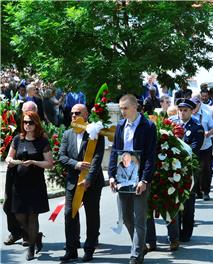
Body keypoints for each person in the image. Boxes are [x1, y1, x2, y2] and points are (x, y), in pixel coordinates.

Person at [108, 95, 157, 264]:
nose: (122, 112)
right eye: (121, 108)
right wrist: (112, 175)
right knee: (127, 218)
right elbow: (115, 151)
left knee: (139, 218)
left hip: (140, 177)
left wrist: (145, 180)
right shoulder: (121, 125)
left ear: (135, 107)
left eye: (125, 108)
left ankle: (136, 255)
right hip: (122, 176)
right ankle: (140, 245)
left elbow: (151, 155)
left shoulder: (148, 125)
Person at [59, 104, 105, 262]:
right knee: (69, 214)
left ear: (86, 115)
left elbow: (97, 158)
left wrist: (89, 178)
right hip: (73, 182)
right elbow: (62, 156)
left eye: (77, 113)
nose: (73, 115)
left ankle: (89, 249)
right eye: (71, 113)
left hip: (91, 182)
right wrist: (76, 164)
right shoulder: (67, 134)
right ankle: (71, 249)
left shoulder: (95, 133)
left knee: (91, 216)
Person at [5, 111, 53, 261]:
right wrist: (10, 161)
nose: (27, 125)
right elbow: (9, 156)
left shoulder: (42, 141)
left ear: (36, 123)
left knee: (32, 217)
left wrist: (33, 162)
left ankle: (31, 248)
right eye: (25, 122)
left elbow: (49, 164)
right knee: (19, 216)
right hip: (18, 184)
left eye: (30, 122)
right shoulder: (18, 139)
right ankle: (36, 236)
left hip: (35, 185)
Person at [166, 98, 204, 243]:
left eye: (185, 110)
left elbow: (194, 149)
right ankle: (174, 232)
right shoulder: (172, 123)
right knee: (173, 200)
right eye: (180, 110)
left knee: (187, 202)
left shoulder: (197, 127)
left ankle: (186, 233)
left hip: (188, 169)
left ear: (192, 111)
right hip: (172, 168)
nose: (182, 113)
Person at [3, 101, 39, 248]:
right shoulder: (15, 128)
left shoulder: (39, 131)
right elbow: (8, 153)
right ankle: (16, 232)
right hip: (14, 173)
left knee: (29, 210)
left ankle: (28, 235)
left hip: (31, 178)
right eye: (25, 112)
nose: (27, 116)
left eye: (30, 112)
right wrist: (10, 160)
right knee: (8, 205)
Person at [191, 96, 213, 201]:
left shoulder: (206, 114)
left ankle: (206, 191)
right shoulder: (189, 115)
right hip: (193, 146)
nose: (194, 107)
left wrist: (208, 133)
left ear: (200, 104)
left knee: (206, 169)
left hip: (206, 145)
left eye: (196, 104)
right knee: (194, 169)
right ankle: (196, 191)